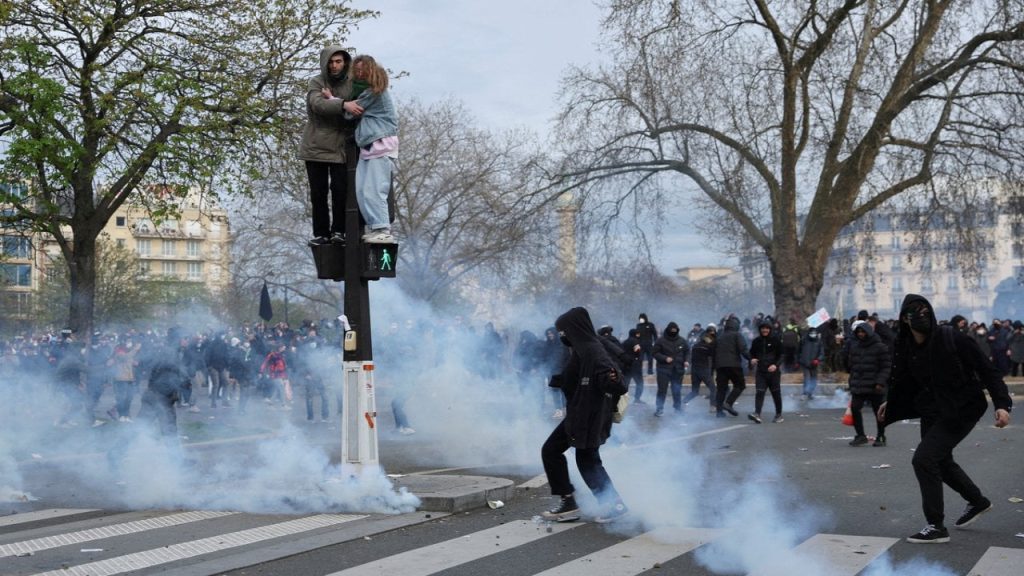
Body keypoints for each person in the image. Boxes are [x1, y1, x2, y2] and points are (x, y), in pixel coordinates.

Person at [879, 294, 1012, 544]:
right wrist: (891, 402)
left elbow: (987, 370)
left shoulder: (952, 337)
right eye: (914, 312)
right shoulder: (905, 345)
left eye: (924, 311)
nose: (920, 316)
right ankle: (977, 501)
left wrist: (1002, 405)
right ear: (905, 319)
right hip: (933, 409)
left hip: (963, 408)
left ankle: (936, 526)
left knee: (924, 459)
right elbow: (903, 380)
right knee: (939, 461)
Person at [541, 307, 627, 523]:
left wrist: (613, 381)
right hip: (584, 413)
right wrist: (560, 381)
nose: (562, 336)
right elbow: (578, 378)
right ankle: (612, 504)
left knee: (553, 451)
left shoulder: (592, 350)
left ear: (573, 329)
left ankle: (571, 503)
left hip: (588, 415)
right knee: (587, 459)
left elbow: (616, 383)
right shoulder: (583, 349)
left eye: (563, 331)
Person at [299, 46, 363, 246]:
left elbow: (360, 107)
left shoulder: (353, 83)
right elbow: (317, 105)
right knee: (318, 193)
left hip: (341, 147)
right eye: (331, 62)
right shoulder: (316, 82)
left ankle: (338, 231)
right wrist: (343, 104)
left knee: (340, 191)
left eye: (339, 61)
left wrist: (337, 101)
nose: (335, 66)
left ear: (345, 62)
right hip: (315, 146)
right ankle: (321, 233)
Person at [342, 54, 398, 244]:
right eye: (356, 70)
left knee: (374, 189)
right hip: (368, 146)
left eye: (362, 70)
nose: (359, 73)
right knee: (363, 191)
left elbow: (351, 112)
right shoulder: (367, 92)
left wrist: (333, 100)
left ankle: (382, 228)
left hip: (380, 144)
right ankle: (375, 226)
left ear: (370, 70)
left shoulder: (375, 92)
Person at [845, 321, 890, 446]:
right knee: (855, 408)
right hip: (859, 384)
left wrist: (880, 382)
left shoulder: (880, 347)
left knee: (878, 412)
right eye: (858, 332)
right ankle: (860, 435)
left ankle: (881, 436)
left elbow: (886, 367)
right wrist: (852, 381)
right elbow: (852, 366)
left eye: (863, 331)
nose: (860, 334)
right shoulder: (855, 347)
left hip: (875, 385)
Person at [748, 321, 784, 423]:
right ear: (760, 330)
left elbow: (782, 355)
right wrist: (752, 360)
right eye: (763, 328)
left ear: (770, 329)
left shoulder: (776, 340)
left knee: (776, 393)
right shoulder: (756, 341)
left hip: (773, 373)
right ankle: (757, 414)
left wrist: (775, 365)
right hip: (761, 372)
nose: (765, 330)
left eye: (767, 328)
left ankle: (779, 414)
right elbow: (751, 354)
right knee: (759, 392)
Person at [714, 316, 750, 417]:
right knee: (740, 385)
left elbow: (713, 350)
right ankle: (728, 403)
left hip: (720, 366)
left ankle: (719, 412)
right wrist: (751, 359)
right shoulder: (737, 335)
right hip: (734, 365)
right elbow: (743, 349)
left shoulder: (719, 336)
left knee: (721, 389)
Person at [651, 321, 689, 416]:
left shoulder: (682, 341)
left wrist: (686, 360)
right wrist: (665, 358)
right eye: (671, 330)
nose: (673, 332)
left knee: (676, 390)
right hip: (663, 369)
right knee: (662, 390)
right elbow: (654, 353)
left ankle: (677, 408)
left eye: (675, 330)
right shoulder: (660, 340)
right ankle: (659, 409)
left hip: (678, 369)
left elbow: (687, 351)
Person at [684, 324, 716, 412]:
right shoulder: (708, 346)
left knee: (695, 391)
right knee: (713, 389)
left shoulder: (695, 346)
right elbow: (713, 354)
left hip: (695, 371)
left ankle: (683, 402)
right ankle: (713, 406)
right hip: (704, 370)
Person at [797, 326, 824, 399]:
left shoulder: (819, 341)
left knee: (814, 379)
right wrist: (798, 361)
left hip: (814, 364)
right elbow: (798, 351)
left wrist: (818, 360)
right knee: (807, 379)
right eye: (811, 333)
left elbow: (821, 353)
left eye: (814, 333)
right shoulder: (803, 340)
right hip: (805, 363)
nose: (813, 334)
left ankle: (810, 393)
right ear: (808, 333)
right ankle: (805, 393)